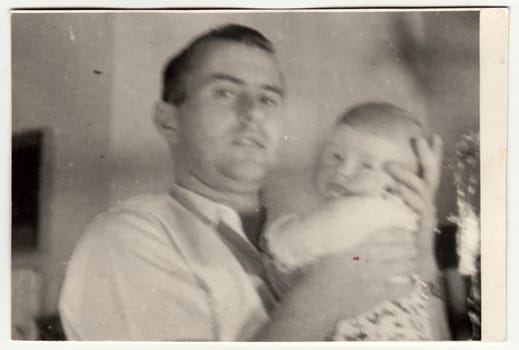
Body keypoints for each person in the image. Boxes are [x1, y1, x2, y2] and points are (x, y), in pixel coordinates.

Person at [58, 24, 443, 341]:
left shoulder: (306, 226)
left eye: (268, 99)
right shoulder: (128, 237)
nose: (253, 113)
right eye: (225, 92)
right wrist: (323, 298)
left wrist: (419, 246)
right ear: (168, 119)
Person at [261, 102, 449, 340]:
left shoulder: (361, 211)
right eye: (335, 156)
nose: (343, 171)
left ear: (400, 183)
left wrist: (279, 230)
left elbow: (287, 245)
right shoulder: (407, 217)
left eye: (367, 165)